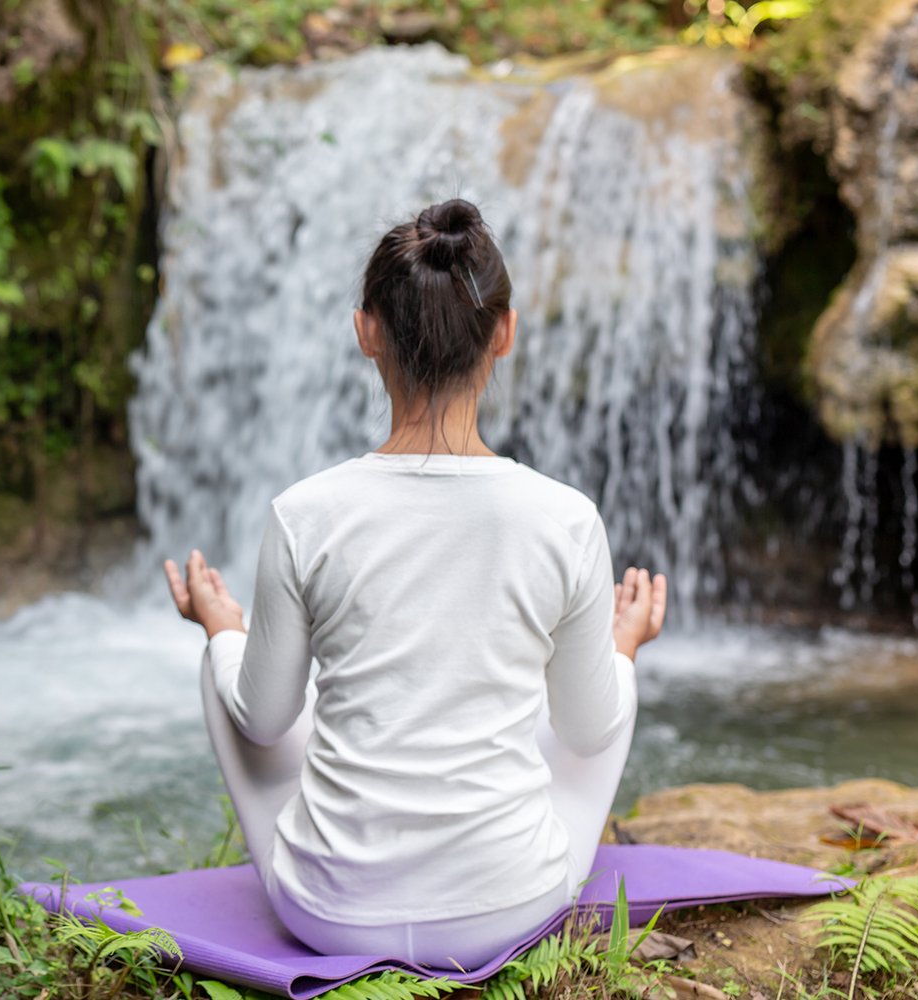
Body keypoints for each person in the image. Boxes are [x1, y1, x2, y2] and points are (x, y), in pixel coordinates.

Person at [162, 198, 668, 969]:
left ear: (366, 331)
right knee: (596, 690)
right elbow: (589, 732)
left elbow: (263, 723)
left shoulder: (303, 514)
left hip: (329, 915)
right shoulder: (567, 519)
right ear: (505, 332)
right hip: (507, 910)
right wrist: (622, 646)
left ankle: (224, 640)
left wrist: (222, 629)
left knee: (227, 664)